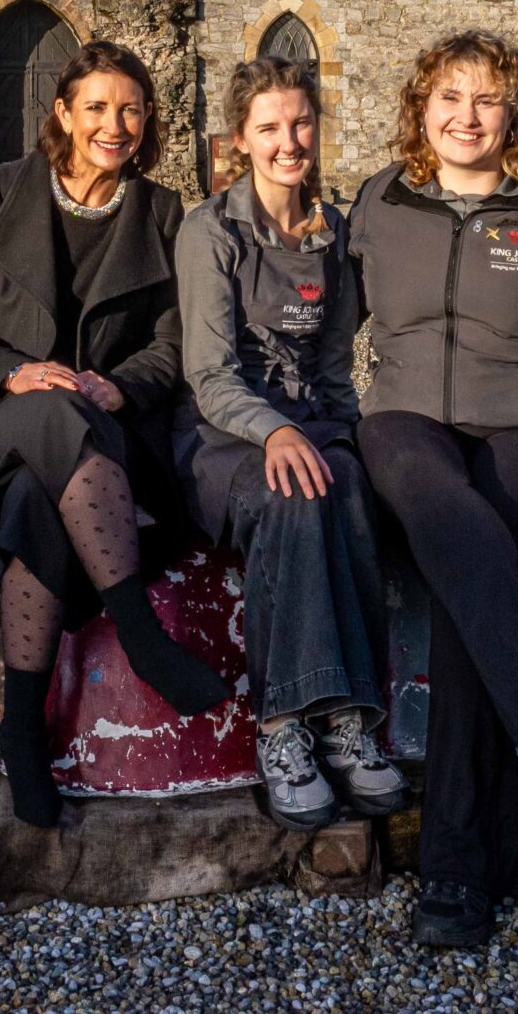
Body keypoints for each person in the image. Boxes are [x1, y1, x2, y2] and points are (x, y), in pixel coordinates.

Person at [0, 40, 228, 829]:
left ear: (149, 117)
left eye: (129, 108)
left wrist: (119, 385)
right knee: (50, 408)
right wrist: (16, 373)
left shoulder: (160, 211)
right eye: (96, 107)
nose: (113, 125)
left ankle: (21, 729)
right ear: (62, 112)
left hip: (109, 434)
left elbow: (171, 345)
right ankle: (143, 636)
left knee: (35, 510)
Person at [347, 30, 518, 949]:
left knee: (469, 589)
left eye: (488, 99)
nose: (467, 116)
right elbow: (303, 317)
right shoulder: (377, 203)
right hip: (405, 426)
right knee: (447, 515)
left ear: (516, 114)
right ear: (421, 107)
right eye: (450, 96)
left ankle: (462, 877)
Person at [172, 57, 404, 830]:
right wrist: (271, 430)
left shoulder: (333, 234)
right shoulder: (210, 231)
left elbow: (335, 364)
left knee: (354, 490)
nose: (288, 141)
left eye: (300, 122)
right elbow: (207, 371)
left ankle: (351, 719)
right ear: (241, 139)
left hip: (311, 420)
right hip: (222, 436)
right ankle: (282, 725)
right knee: (294, 496)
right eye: (269, 127)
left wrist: (354, 438)